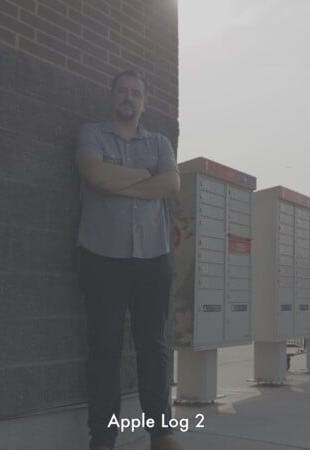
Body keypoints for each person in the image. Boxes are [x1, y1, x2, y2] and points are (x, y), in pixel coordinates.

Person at [75, 70, 183, 450]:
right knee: (104, 348)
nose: (129, 98)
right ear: (112, 97)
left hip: (153, 256)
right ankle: (103, 438)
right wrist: (142, 177)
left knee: (153, 346)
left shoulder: (160, 142)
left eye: (136, 93)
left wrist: (120, 180)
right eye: (123, 91)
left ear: (144, 102)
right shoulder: (91, 134)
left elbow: (170, 185)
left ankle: (161, 433)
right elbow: (95, 177)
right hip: (101, 256)